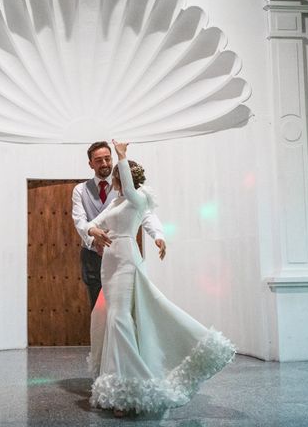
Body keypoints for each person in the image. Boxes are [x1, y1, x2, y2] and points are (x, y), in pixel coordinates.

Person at [86, 140, 235, 416]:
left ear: (123, 175)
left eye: (117, 172)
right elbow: (92, 224)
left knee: (119, 319)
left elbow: (148, 217)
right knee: (116, 319)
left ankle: (133, 386)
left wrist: (122, 155)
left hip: (128, 259)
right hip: (110, 260)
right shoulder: (116, 202)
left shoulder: (137, 198)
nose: (114, 177)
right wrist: (93, 231)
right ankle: (119, 385)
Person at [72, 141, 166, 310]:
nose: (105, 164)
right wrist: (93, 238)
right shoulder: (80, 189)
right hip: (92, 257)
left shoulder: (126, 188)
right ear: (91, 163)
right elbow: (80, 221)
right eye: (99, 160)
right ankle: (105, 337)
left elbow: (146, 213)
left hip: (122, 257)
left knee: (123, 307)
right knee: (98, 308)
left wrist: (157, 234)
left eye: (108, 159)